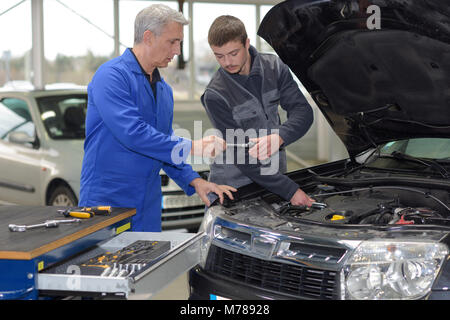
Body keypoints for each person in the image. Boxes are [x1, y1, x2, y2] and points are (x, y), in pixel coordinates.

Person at [79, 5, 236, 232]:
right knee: (105, 268)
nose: (178, 50)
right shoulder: (111, 76)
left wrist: (194, 181)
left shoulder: (164, 91)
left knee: (147, 267)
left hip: (148, 205)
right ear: (148, 37)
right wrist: (193, 146)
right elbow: (134, 134)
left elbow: (162, 144)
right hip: (107, 202)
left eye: (179, 43)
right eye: (173, 41)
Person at [201, 15, 315, 206]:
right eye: (219, 56)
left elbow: (303, 111)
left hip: (274, 178)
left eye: (233, 53)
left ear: (246, 43)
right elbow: (242, 156)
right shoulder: (215, 94)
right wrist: (290, 190)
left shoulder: (274, 68)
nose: (227, 62)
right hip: (233, 188)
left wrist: (280, 136)